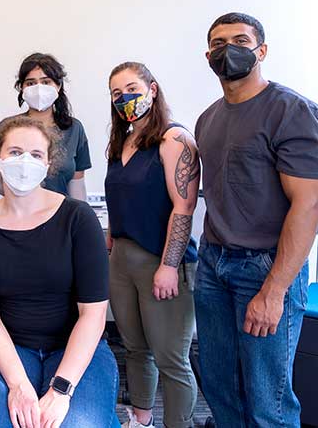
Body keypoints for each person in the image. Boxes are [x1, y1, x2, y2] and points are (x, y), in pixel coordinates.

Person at [194, 12, 318, 427]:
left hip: (265, 269)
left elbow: (306, 208)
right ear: (208, 56)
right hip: (212, 265)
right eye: (219, 44)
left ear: (262, 50)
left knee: (267, 400)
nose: (229, 51)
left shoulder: (293, 114)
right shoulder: (208, 119)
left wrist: (274, 292)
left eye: (240, 40)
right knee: (220, 387)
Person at [0, 116, 119, 428]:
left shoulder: (78, 218)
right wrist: (18, 386)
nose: (25, 162)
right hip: (10, 348)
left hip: (74, 348)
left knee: (75, 424)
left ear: (48, 164)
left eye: (36, 155)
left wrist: (61, 389)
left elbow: (93, 314)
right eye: (15, 152)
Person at [104, 62, 200, 428]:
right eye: (116, 93)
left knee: (171, 358)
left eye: (131, 88)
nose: (124, 98)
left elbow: (184, 206)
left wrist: (169, 266)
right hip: (123, 260)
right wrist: (113, 235)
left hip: (163, 262)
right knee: (135, 348)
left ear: (152, 89)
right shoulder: (121, 141)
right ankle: (140, 419)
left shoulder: (174, 140)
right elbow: (120, 194)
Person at [0, 53, 90, 199]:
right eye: (30, 83)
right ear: (21, 88)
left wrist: (79, 216)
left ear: (58, 86)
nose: (38, 88)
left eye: (46, 82)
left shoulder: (74, 128)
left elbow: (77, 184)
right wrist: (27, 202)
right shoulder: (7, 129)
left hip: (62, 214)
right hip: (20, 212)